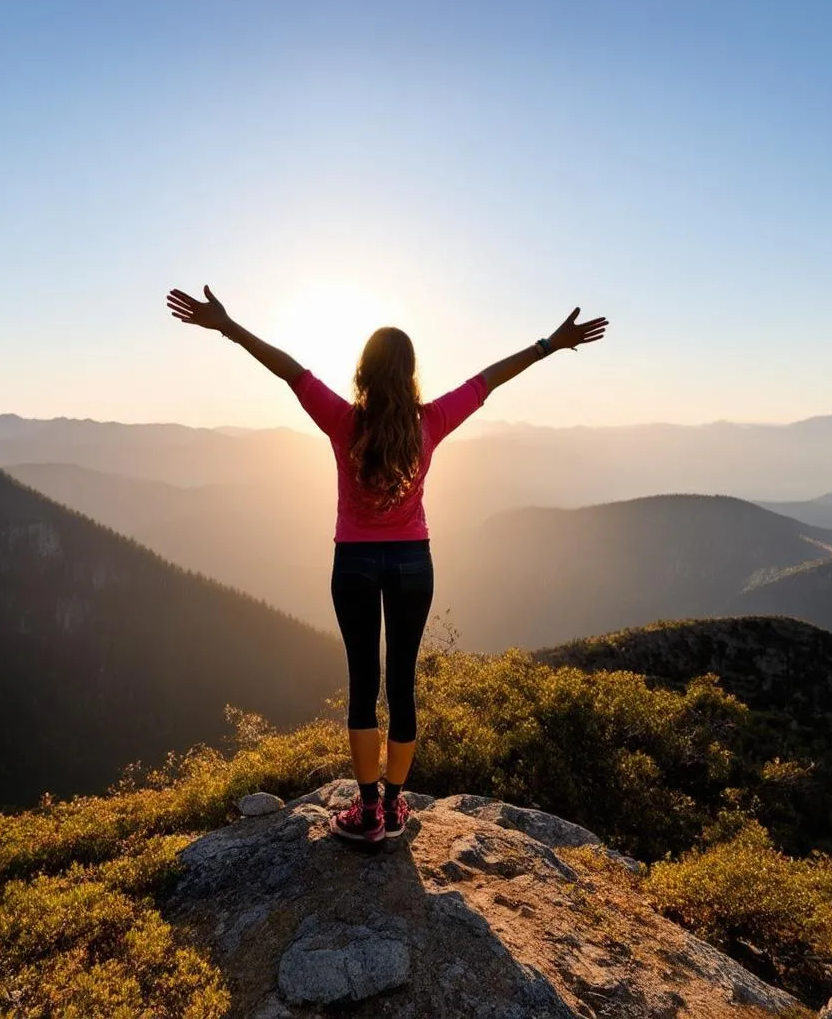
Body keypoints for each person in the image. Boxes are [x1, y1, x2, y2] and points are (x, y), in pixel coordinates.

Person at [166, 285, 608, 843]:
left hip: (353, 562)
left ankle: (368, 810)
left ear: (364, 371)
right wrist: (548, 344)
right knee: (401, 683)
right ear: (411, 373)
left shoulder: (342, 420)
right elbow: (489, 379)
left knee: (361, 682)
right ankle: (396, 807)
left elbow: (291, 371)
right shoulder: (432, 421)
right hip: (412, 563)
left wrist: (229, 327)